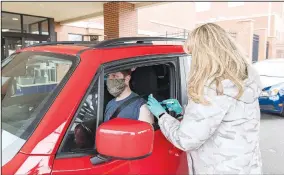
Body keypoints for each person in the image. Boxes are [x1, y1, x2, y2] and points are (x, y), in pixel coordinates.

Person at [147, 23, 263, 174]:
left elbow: (186, 140)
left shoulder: (214, 88)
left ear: (204, 54)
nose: (193, 59)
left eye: (194, 54)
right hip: (246, 167)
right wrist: (183, 111)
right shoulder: (243, 79)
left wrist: (161, 115)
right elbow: (219, 120)